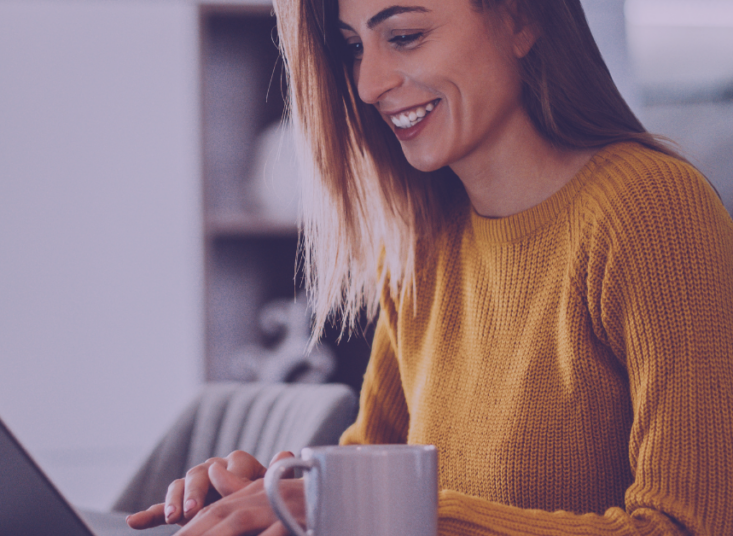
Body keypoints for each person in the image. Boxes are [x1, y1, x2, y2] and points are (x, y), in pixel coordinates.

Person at [127, 0, 733, 533]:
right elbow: (369, 472)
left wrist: (398, 516)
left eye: (405, 36)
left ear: (521, 18)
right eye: (353, 48)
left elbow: (689, 526)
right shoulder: (422, 246)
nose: (368, 83)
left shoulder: (651, 211)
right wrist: (275, 502)